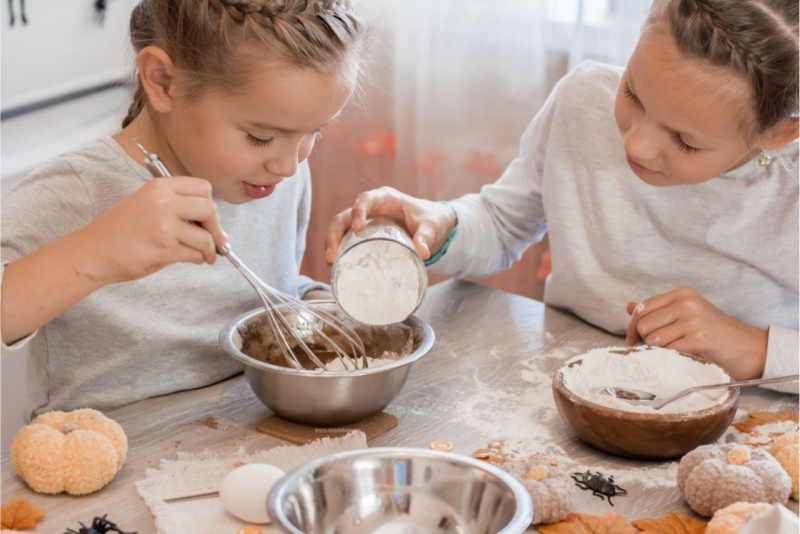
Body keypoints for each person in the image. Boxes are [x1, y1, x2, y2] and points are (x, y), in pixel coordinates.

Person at [326, 0, 799, 391]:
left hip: (746, 417)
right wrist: (442, 222)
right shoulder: (584, 99)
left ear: (778, 135)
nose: (635, 144)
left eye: (685, 141)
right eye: (633, 93)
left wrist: (755, 349)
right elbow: (502, 223)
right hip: (571, 381)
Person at [1, 0, 366, 414]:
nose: (288, 164)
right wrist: (95, 253)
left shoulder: (278, 173)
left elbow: (270, 295)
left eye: (314, 131)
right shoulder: (78, 191)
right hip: (115, 461)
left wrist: (323, 304)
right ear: (163, 82)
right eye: (260, 136)